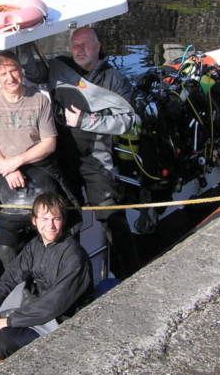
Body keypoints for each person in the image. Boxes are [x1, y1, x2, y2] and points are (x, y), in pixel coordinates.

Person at [18, 26, 140, 280]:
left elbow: (129, 121)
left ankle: (129, 276)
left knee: (111, 217)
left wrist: (85, 121)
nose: (80, 50)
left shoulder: (114, 79)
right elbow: (32, 71)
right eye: (75, 45)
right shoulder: (58, 69)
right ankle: (67, 277)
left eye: (86, 45)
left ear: (98, 47)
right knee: (65, 219)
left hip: (97, 160)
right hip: (63, 157)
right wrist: (23, 37)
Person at [0, 191, 93, 374]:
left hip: (59, 320)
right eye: (45, 219)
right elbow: (10, 277)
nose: (51, 225)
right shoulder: (35, 245)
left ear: (63, 220)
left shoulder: (74, 258)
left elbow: (54, 304)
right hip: (32, 308)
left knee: (5, 341)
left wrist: (10, 321)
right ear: (34, 220)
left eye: (56, 219)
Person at [0, 51, 66, 266]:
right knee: (7, 247)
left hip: (38, 168)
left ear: (21, 70)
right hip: (5, 171)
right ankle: (18, 286)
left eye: (14, 70)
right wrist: (5, 168)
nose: (10, 78)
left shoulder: (39, 100)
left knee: (50, 229)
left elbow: (48, 143)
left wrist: (15, 162)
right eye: (3, 73)